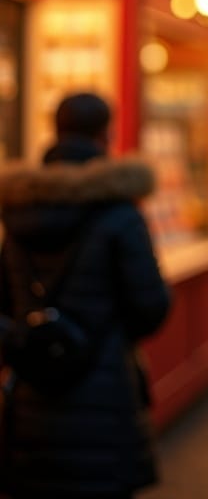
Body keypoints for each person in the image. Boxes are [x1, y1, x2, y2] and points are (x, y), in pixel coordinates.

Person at [0, 92, 171, 499]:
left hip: (31, 406)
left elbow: (4, 303)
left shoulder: (19, 209)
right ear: (105, 135)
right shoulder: (121, 213)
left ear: (56, 131)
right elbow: (151, 307)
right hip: (104, 399)